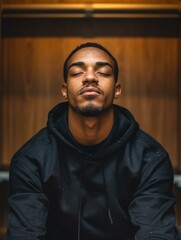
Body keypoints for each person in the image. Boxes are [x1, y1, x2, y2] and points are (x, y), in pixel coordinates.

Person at [5, 42, 179, 240]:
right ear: (64, 90)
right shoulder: (31, 160)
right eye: (77, 72)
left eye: (103, 72)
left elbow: (155, 234)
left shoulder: (150, 158)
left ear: (117, 90)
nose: (89, 77)